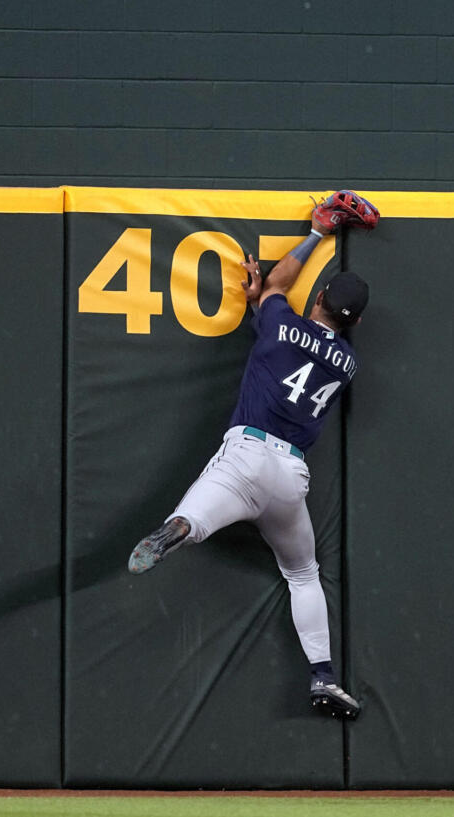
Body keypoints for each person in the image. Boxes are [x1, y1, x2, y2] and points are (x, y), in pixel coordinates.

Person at [127, 204, 369, 721]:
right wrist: (270, 303)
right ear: (359, 322)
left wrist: (314, 236)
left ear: (320, 297)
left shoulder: (280, 323)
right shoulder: (348, 364)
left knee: (195, 517)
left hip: (247, 455)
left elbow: (279, 283)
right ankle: (323, 676)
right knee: (304, 574)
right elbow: (303, 325)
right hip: (290, 477)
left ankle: (181, 527)